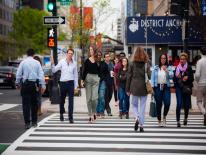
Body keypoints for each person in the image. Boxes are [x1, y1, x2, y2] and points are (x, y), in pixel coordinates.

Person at [16, 49, 46, 129]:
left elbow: (18, 74)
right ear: (33, 55)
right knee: (34, 104)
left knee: (25, 105)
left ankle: (27, 123)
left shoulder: (23, 62)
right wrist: (43, 85)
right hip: (34, 85)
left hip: (25, 84)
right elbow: (41, 74)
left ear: (27, 54)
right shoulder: (37, 63)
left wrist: (17, 83)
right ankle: (34, 122)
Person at [126, 47, 150, 132]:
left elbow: (129, 76)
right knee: (142, 107)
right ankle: (141, 125)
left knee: (134, 105)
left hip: (134, 86)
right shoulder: (146, 63)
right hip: (143, 87)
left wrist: (127, 89)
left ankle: (136, 117)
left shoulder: (132, 63)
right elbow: (149, 76)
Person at [51, 48, 78, 123]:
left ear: (73, 54)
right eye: (69, 53)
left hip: (71, 83)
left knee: (71, 101)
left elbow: (75, 75)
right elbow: (54, 70)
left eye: (72, 53)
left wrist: (76, 86)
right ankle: (61, 113)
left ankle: (70, 117)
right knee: (62, 100)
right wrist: (52, 63)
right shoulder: (62, 62)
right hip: (63, 83)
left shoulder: (74, 63)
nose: (70, 55)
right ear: (67, 54)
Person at [151, 54, 174, 127]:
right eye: (162, 58)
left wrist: (167, 71)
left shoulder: (169, 67)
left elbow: (172, 75)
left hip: (166, 87)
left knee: (167, 103)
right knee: (158, 104)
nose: (163, 59)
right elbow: (152, 78)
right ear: (160, 59)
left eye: (164, 58)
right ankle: (159, 120)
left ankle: (164, 116)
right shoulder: (156, 68)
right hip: (157, 87)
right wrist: (152, 88)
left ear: (166, 59)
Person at [174, 52, 194, 127]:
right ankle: (178, 121)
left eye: (183, 59)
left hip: (186, 88)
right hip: (179, 87)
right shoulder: (177, 68)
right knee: (179, 104)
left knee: (186, 105)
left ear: (186, 60)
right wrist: (177, 77)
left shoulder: (189, 67)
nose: (182, 60)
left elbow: (192, 79)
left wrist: (187, 78)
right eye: (181, 59)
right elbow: (174, 78)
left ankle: (185, 118)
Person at [82, 46, 100, 123]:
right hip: (88, 79)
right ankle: (90, 115)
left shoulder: (98, 60)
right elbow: (84, 71)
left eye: (92, 49)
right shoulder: (86, 61)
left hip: (96, 79)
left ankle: (94, 112)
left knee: (94, 98)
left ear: (94, 50)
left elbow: (102, 70)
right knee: (88, 98)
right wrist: (82, 80)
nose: (91, 51)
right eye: (90, 50)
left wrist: (99, 78)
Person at [195, 47, 206, 126]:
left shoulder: (199, 62)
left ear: (200, 52)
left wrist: (197, 80)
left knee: (199, 102)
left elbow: (197, 75)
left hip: (201, 84)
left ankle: (204, 112)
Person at [96, 51, 109, 117]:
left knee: (101, 96)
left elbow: (107, 73)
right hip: (95, 82)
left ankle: (101, 111)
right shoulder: (94, 63)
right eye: (98, 55)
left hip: (102, 81)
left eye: (100, 55)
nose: (99, 56)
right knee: (96, 97)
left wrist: (105, 80)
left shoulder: (104, 64)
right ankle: (97, 111)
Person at [104, 52, 114, 116]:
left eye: (108, 56)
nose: (107, 58)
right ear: (104, 58)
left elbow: (114, 72)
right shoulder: (103, 64)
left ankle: (105, 106)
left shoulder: (112, 64)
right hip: (105, 82)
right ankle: (108, 110)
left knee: (110, 96)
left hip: (111, 82)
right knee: (106, 96)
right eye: (106, 57)